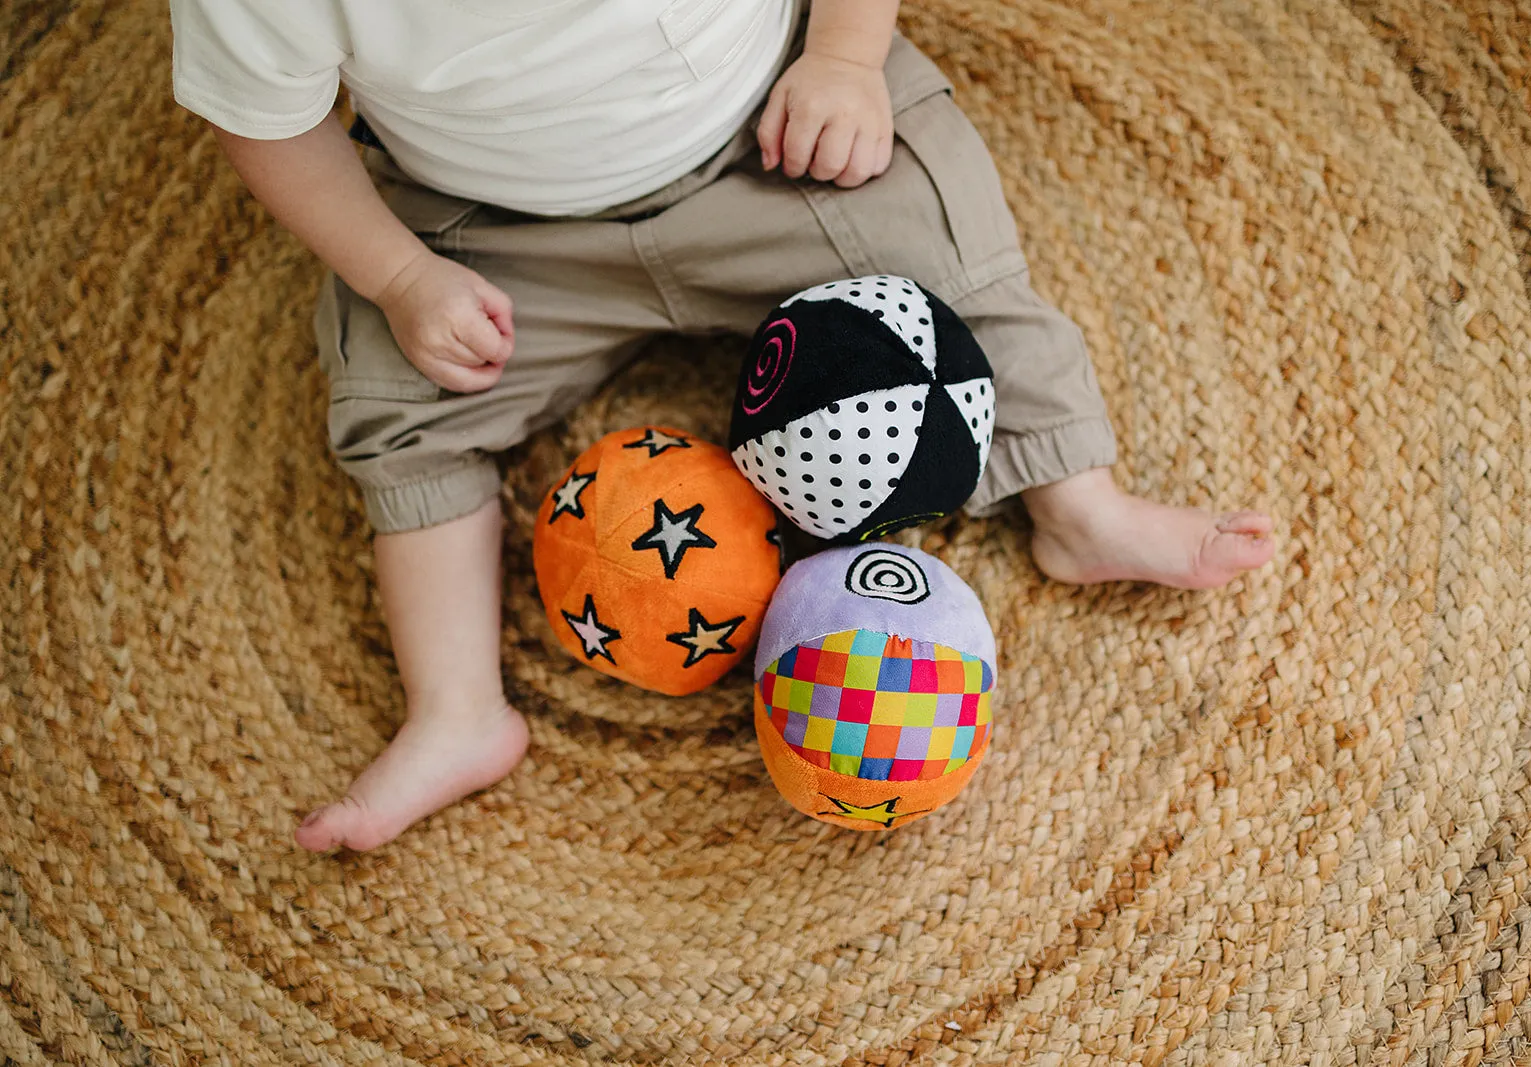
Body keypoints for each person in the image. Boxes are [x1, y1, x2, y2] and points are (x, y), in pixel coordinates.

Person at [169, 0, 1275, 852]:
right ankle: (457, 707)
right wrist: (402, 275)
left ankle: (1077, 504)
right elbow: (267, 122)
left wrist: (843, 59)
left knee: (946, 261)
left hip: (773, 141)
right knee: (392, 404)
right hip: (488, 225)